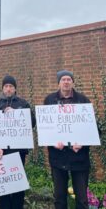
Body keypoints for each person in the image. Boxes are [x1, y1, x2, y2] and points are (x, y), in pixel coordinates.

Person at [44, 70, 91, 209]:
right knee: (59, 198)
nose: (66, 82)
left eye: (68, 79)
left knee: (82, 199)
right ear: (58, 83)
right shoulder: (49, 100)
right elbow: (45, 127)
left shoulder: (83, 100)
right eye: (63, 79)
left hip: (79, 158)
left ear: (72, 82)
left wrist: (83, 143)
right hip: (58, 157)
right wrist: (53, 142)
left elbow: (92, 128)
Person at [0, 75, 36, 209]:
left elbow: (32, 123)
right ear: (3, 89)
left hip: (19, 151)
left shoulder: (23, 104)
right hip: (1, 152)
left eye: (11, 86)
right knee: (3, 184)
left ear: (15, 89)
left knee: (17, 183)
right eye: (6, 86)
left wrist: (17, 114)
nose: (8, 89)